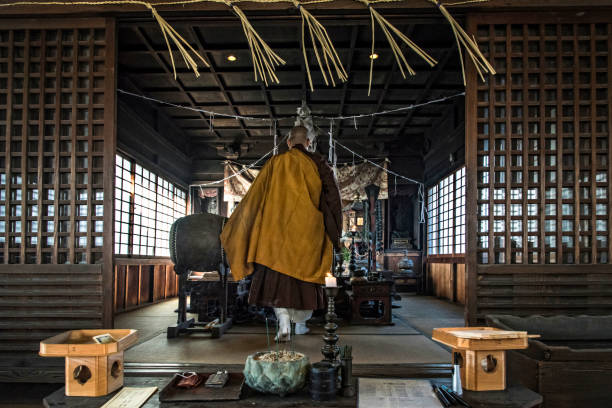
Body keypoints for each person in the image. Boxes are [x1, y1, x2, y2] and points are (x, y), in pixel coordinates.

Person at [220, 126, 342, 341]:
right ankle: (301, 325)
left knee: (277, 280)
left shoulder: (274, 163)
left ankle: (284, 321)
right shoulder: (318, 163)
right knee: (304, 281)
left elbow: (254, 199)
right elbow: (333, 198)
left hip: (274, 234)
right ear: (308, 143)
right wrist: (335, 232)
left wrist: (241, 227)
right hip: (308, 233)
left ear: (288, 143)